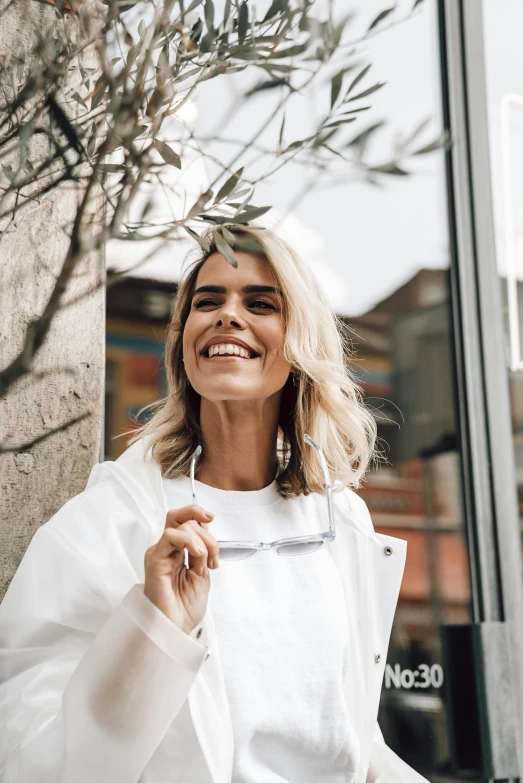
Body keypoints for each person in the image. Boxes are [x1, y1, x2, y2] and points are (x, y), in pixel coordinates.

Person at [0, 224, 429, 783]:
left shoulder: (340, 519)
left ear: (299, 343)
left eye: (259, 302)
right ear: (185, 340)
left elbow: (346, 739)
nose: (227, 315)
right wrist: (157, 630)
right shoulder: (110, 521)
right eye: (208, 301)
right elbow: (33, 757)